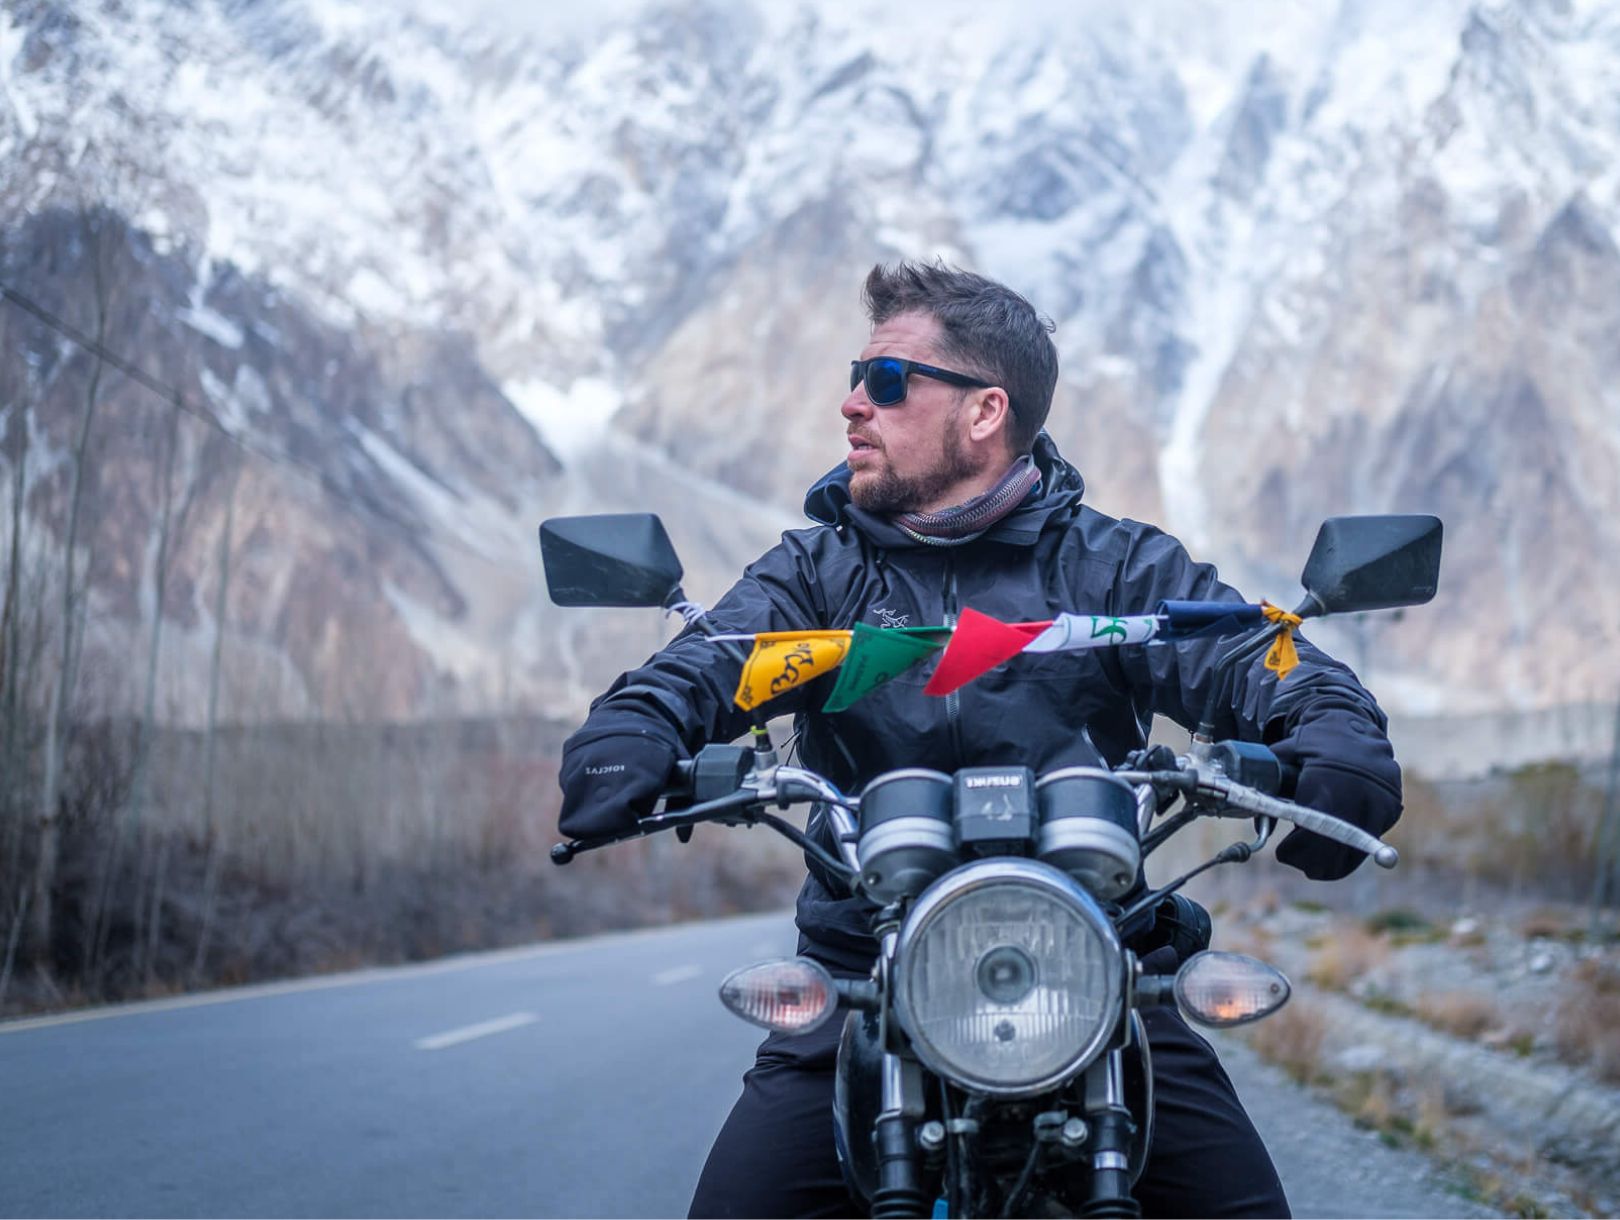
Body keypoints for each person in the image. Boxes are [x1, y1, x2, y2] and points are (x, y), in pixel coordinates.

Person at [557, 261, 1402, 1218]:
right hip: (864, 973)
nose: (850, 405)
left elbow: (1253, 651)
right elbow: (711, 660)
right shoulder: (815, 574)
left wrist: (1332, 734)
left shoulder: (1117, 567)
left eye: (884, 381)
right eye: (855, 376)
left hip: (1102, 964)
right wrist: (633, 730)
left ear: (985, 411)